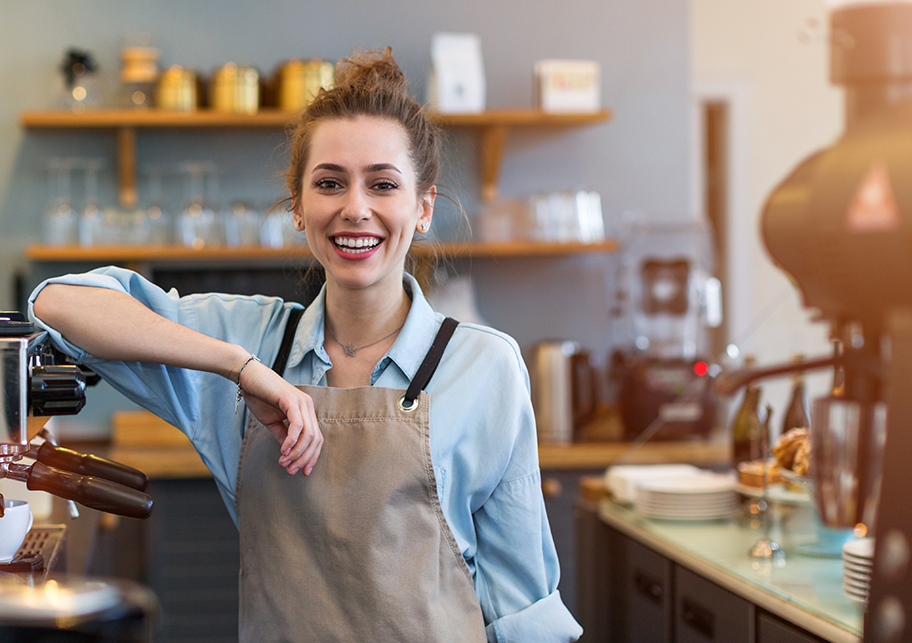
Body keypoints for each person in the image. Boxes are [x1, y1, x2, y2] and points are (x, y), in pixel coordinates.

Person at [30, 48, 582, 642]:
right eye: (330, 183)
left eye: (383, 184)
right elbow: (56, 304)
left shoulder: (485, 364)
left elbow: (524, 610)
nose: (355, 208)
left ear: (422, 209)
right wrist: (241, 369)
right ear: (297, 206)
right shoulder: (249, 341)